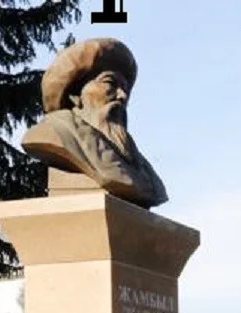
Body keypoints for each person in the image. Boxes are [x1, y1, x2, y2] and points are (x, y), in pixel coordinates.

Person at [21, 38, 166, 208]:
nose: (122, 96)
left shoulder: (136, 162)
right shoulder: (52, 134)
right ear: (75, 94)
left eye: (125, 88)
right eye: (110, 83)